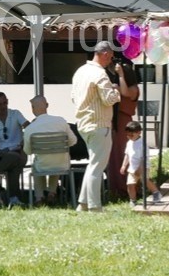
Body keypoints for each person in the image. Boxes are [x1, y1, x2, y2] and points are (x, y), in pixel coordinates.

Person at [71, 41, 122, 211]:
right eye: (111, 57)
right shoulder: (100, 74)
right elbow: (109, 99)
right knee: (97, 166)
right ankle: (95, 206)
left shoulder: (80, 71)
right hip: (99, 124)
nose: (111, 61)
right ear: (106, 54)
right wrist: (116, 90)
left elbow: (73, 97)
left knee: (93, 163)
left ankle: (83, 204)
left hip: (83, 123)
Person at [23, 94, 78, 206]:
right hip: (62, 165)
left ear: (32, 109)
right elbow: (73, 141)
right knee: (57, 159)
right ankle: (52, 193)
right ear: (47, 105)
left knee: (37, 163)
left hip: (42, 165)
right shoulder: (61, 121)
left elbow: (27, 151)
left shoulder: (30, 129)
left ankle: (39, 197)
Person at [107, 53, 140, 199]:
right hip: (115, 122)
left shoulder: (134, 89)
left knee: (125, 154)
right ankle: (116, 187)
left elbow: (125, 92)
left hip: (125, 123)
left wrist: (120, 75)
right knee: (114, 155)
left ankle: (127, 186)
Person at [122, 121, 161, 206]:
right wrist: (124, 165)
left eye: (131, 135)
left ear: (139, 132)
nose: (129, 137)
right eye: (128, 135)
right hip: (132, 168)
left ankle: (156, 192)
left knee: (145, 181)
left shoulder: (142, 144)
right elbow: (127, 155)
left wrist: (140, 169)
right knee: (130, 184)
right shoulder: (129, 143)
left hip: (143, 167)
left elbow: (143, 158)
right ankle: (133, 200)